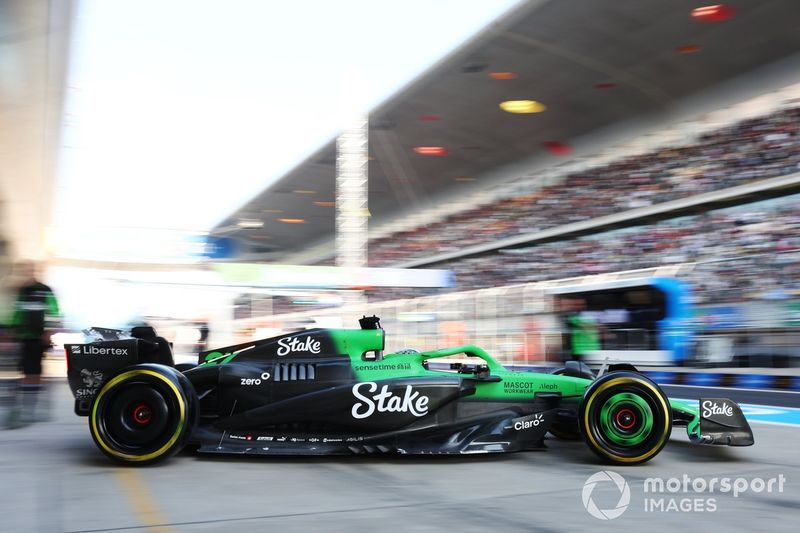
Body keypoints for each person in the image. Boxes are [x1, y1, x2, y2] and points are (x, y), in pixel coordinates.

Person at [8, 260, 60, 425]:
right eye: (24, 270)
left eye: (30, 270)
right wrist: (12, 331)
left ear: (34, 271)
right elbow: (17, 312)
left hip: (39, 338)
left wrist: (49, 331)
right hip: (24, 337)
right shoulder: (23, 291)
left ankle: (32, 409)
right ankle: (28, 408)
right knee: (26, 373)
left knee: (34, 373)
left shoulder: (44, 290)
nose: (27, 273)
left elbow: (55, 311)